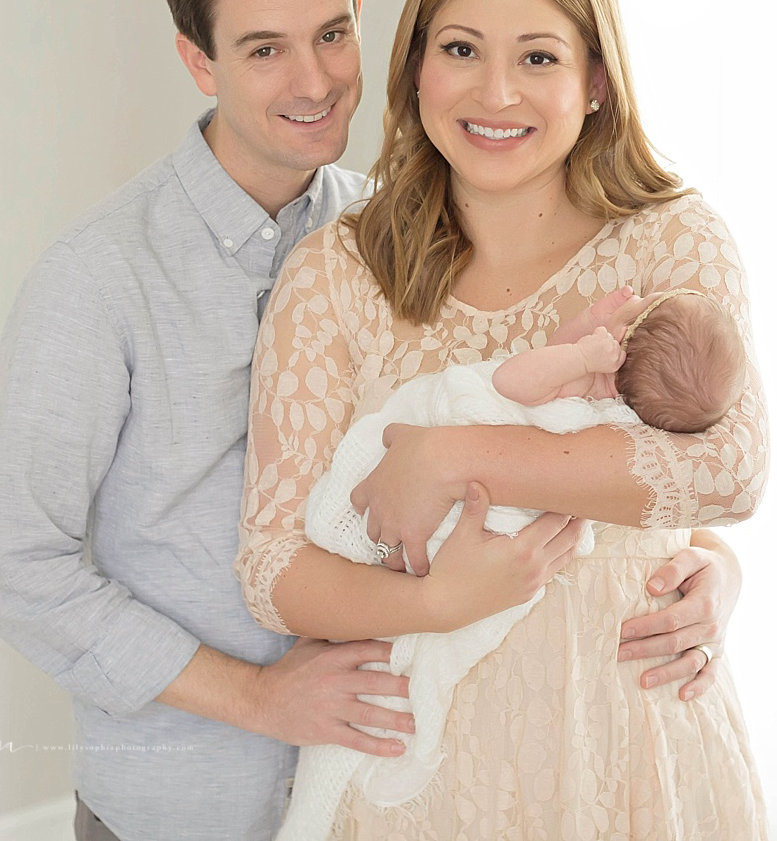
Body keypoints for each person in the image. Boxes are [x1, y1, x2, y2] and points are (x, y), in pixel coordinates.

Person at [0, 0, 747, 841]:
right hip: (195, 795)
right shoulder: (97, 280)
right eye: (264, 49)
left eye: (331, 35)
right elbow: (19, 569)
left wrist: (706, 565)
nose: (313, 81)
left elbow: (567, 460)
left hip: (382, 772)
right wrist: (258, 697)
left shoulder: (387, 228)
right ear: (196, 60)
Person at [242, 0, 769, 838]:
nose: (497, 91)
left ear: (597, 80)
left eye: (538, 58)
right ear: (413, 68)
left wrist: (454, 456)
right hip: (424, 776)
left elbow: (730, 472)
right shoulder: (337, 275)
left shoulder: (671, 241)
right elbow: (273, 568)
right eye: (460, 49)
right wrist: (434, 602)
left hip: (633, 746)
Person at [277, 284, 751, 839]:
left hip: (612, 728)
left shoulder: (587, 391)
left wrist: (721, 563)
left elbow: (507, 385)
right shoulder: (619, 416)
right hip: (562, 726)